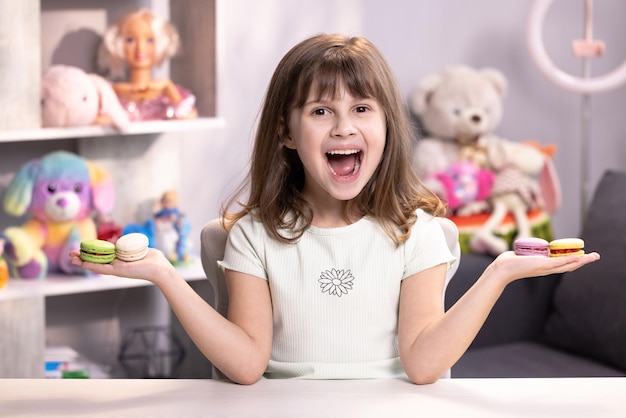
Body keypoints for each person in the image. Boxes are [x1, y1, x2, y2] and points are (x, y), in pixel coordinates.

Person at [71, 33, 600, 385]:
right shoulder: (253, 237)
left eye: (362, 109)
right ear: (286, 132)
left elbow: (422, 365)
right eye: (321, 110)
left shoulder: (416, 234)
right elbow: (247, 365)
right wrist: (165, 276)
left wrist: (500, 274)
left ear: (387, 124)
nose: (344, 127)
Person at [98, 8, 197, 121]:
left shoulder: (165, 94)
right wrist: (117, 90)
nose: (140, 48)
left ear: (160, 43)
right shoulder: (112, 92)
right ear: (119, 44)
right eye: (130, 40)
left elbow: (188, 115)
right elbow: (99, 120)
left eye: (150, 40)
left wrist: (168, 87)